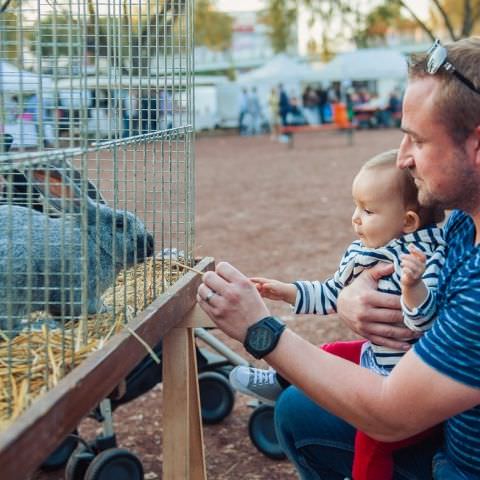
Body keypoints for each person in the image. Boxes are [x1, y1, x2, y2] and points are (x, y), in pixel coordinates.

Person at [197, 37, 480, 479]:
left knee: (322, 413)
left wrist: (260, 331)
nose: (403, 159)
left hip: (458, 464)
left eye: (416, 140)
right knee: (296, 408)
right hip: (446, 434)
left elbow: (391, 414)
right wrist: (349, 296)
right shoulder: (463, 223)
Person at [229, 149, 446, 480]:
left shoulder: (424, 261)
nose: (355, 218)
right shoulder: (370, 252)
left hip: (410, 392)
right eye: (357, 206)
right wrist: (285, 290)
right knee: (327, 355)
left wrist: (412, 287)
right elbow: (331, 293)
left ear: (407, 222)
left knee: (371, 441)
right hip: (379, 362)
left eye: (368, 210)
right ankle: (281, 379)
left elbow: (423, 318)